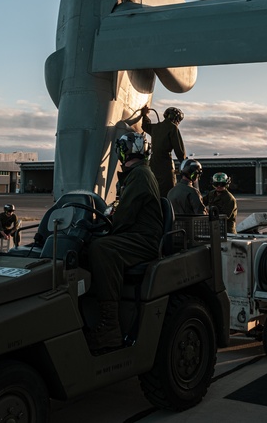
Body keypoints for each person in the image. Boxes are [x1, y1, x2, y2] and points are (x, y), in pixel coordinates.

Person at [85, 131, 164, 352]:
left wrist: (103, 230)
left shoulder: (139, 175)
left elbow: (125, 216)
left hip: (143, 239)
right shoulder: (137, 174)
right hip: (137, 234)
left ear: (122, 152)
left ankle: (109, 326)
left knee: (102, 248)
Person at [141, 106, 186, 198]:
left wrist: (144, 115)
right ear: (176, 119)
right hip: (166, 167)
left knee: (154, 192)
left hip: (153, 165)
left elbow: (145, 126)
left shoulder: (156, 127)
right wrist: (185, 164)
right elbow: (180, 151)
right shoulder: (173, 128)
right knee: (168, 195)